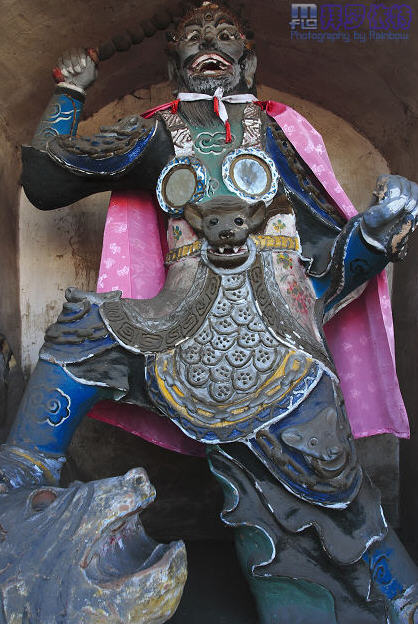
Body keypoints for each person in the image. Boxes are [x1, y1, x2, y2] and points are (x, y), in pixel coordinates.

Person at [2, 3, 417, 622]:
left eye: (225, 36)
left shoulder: (279, 134)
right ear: (175, 63)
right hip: (178, 319)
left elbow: (330, 265)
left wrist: (380, 230)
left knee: (332, 495)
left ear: (248, 60)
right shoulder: (160, 131)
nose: (209, 45)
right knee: (81, 335)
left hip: (280, 335)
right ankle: (18, 486)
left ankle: (387, 599)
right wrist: (70, 92)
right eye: (194, 37)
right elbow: (47, 177)